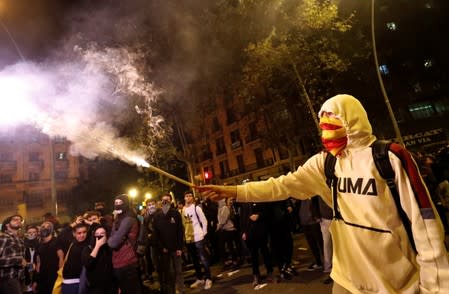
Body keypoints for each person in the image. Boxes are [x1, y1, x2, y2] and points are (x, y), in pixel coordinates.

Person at [198, 94, 449, 293]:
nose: (326, 132)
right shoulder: (325, 164)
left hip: (397, 284)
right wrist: (233, 191)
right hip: (347, 280)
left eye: (333, 123)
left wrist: (437, 286)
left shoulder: (388, 158)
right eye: (323, 125)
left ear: (352, 121)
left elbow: (425, 224)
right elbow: (281, 185)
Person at [107, 194, 142, 294]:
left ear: (126, 204)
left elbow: (113, 243)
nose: (117, 206)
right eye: (115, 203)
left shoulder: (128, 219)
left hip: (128, 262)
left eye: (120, 203)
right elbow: (114, 237)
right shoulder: (119, 219)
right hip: (120, 261)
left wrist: (111, 239)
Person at [152, 193, 184, 294]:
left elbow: (180, 231)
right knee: (169, 272)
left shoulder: (175, 213)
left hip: (176, 248)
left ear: (171, 201)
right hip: (165, 250)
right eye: (163, 200)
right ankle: (172, 290)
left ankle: (181, 290)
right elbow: (156, 234)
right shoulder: (157, 216)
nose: (165, 202)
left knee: (178, 271)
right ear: (161, 202)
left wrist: (180, 247)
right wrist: (162, 247)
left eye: (167, 200)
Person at [182, 191, 213, 290]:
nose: (188, 198)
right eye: (186, 196)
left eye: (190, 196)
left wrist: (203, 233)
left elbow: (204, 221)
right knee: (194, 259)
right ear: (184, 198)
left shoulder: (197, 208)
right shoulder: (183, 209)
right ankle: (199, 278)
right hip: (189, 238)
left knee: (203, 258)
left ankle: (208, 278)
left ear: (193, 198)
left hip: (198, 236)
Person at [81, 225, 113, 294]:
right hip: (94, 288)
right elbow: (88, 263)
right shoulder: (88, 249)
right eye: (97, 234)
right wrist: (97, 246)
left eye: (102, 234)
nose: (99, 236)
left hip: (110, 287)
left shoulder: (110, 248)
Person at [34, 221, 63, 294]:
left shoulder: (57, 241)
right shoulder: (38, 244)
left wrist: (60, 276)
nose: (45, 228)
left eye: (48, 227)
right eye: (43, 227)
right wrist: (36, 280)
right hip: (42, 278)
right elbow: (38, 263)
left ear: (52, 230)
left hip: (54, 276)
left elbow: (61, 258)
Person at [61, 223, 89, 294]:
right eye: (79, 233)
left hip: (79, 282)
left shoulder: (88, 244)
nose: (82, 235)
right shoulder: (72, 243)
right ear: (74, 234)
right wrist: (74, 224)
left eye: (84, 232)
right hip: (69, 283)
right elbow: (61, 236)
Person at [0, 215, 25, 294]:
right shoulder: (3, 237)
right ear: (7, 224)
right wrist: (18, 260)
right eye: (15, 219)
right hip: (7, 279)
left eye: (20, 220)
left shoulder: (20, 240)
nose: (18, 221)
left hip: (20, 278)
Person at [23, 225, 39, 294]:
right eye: (29, 232)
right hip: (26, 274)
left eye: (34, 232)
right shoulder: (22, 244)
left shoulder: (41, 244)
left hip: (38, 273)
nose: (32, 234)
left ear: (37, 233)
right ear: (26, 233)